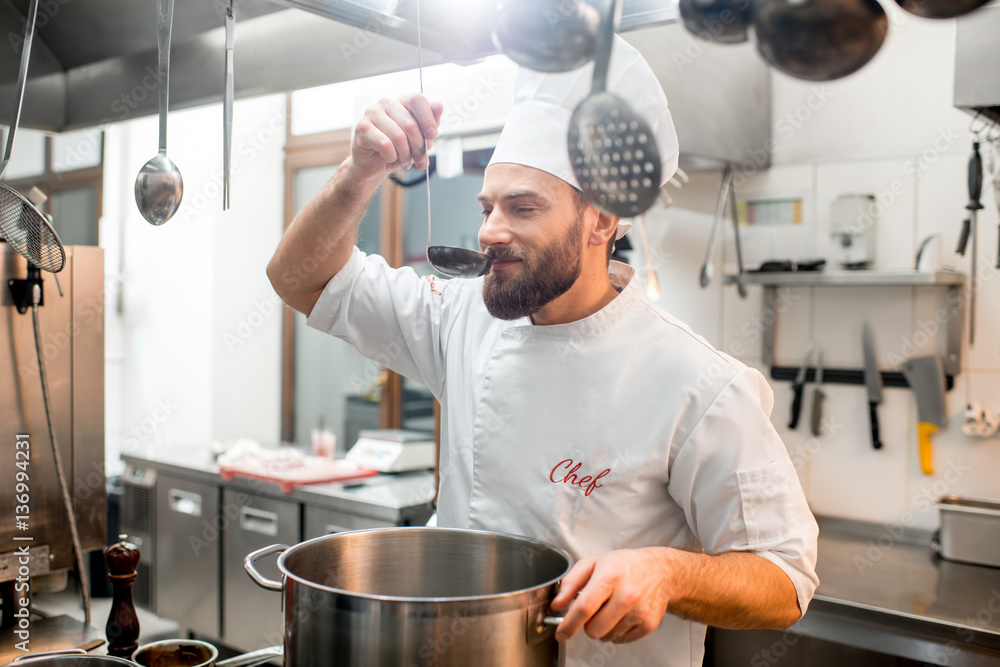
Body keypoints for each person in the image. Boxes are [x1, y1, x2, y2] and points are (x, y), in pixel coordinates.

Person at [268, 37, 818, 667]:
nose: (488, 230)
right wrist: (359, 172)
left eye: (522, 207)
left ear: (602, 221)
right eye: (488, 206)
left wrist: (669, 573)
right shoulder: (460, 317)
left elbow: (785, 579)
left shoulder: (698, 383)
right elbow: (298, 279)